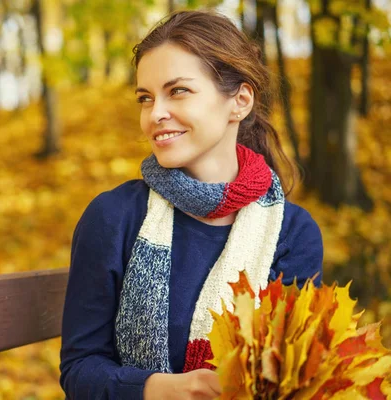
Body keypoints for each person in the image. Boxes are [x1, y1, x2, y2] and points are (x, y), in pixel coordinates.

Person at [59, 9, 323, 400]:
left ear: (240, 101)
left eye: (177, 90)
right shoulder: (114, 217)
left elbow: (295, 375)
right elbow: (80, 369)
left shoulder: (292, 233)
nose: (155, 114)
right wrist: (160, 389)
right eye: (145, 98)